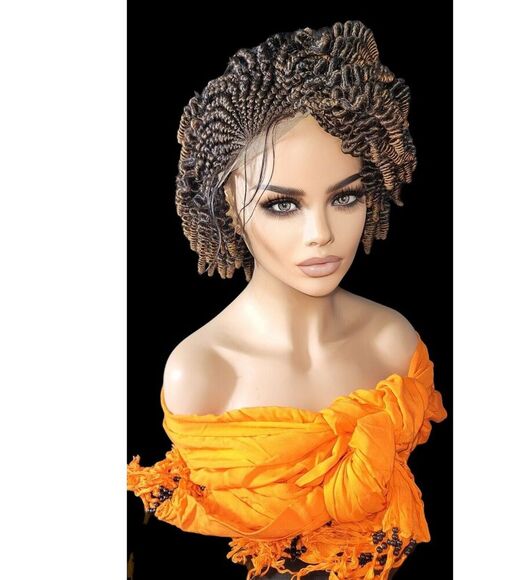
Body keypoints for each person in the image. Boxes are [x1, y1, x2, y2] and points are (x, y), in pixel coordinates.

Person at [128, 20, 448, 579]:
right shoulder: (201, 373)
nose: (321, 234)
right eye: (282, 205)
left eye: (345, 198)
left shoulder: (394, 345)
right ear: (229, 205)